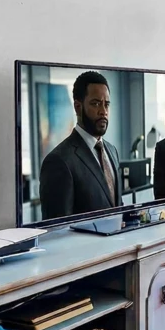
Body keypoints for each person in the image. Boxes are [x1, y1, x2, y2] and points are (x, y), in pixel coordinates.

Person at [39, 71, 122, 220]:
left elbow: (116, 207)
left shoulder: (112, 151)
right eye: (96, 104)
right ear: (78, 107)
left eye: (106, 104)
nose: (103, 111)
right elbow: (57, 231)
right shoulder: (59, 161)